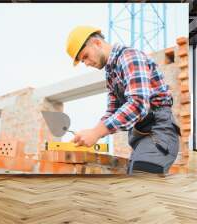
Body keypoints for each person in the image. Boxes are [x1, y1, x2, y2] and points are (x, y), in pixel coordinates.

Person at [65, 25, 181, 175]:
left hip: (158, 131)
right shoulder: (111, 72)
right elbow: (112, 111)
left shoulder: (130, 57)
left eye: (85, 56)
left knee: (141, 183)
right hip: (141, 136)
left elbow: (138, 104)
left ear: (97, 43)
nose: (86, 63)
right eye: (82, 61)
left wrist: (97, 133)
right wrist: (92, 133)